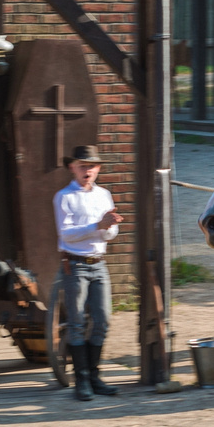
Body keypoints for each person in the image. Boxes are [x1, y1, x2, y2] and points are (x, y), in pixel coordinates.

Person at [55, 145, 123, 402]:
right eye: (83, 166)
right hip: (75, 264)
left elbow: (109, 234)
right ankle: (81, 379)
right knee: (77, 322)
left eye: (92, 166)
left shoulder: (104, 195)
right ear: (72, 167)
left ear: (98, 169)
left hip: (99, 263)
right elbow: (66, 233)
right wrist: (98, 225)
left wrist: (108, 227)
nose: (88, 171)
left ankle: (94, 375)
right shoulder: (64, 197)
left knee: (103, 319)